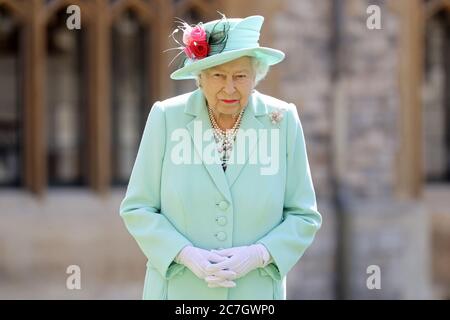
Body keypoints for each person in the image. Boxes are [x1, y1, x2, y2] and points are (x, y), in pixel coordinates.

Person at [119, 13, 322, 300]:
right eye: (218, 75)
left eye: (240, 76)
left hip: (255, 295)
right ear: (200, 77)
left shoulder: (282, 120)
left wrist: (259, 255)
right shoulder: (167, 118)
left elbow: (304, 215)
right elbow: (138, 208)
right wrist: (184, 254)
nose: (229, 88)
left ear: (256, 76)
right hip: (178, 292)